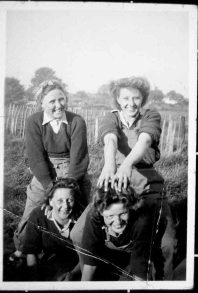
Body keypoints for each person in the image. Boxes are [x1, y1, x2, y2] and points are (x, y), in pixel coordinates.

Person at [71, 76, 172, 280]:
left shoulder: (150, 115)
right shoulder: (112, 117)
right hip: (115, 180)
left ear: (142, 99)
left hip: (146, 181)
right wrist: (110, 165)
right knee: (78, 233)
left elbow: (144, 140)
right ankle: (89, 272)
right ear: (117, 99)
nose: (131, 103)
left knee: (166, 242)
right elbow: (110, 138)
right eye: (125, 98)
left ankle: (159, 280)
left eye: (136, 98)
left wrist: (127, 163)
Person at [10, 79, 91, 262]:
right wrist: (49, 193)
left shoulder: (76, 121)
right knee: (30, 219)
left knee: (81, 217)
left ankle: (78, 257)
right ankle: (26, 250)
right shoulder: (34, 121)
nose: (58, 105)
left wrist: (66, 190)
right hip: (45, 173)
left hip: (73, 174)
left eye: (61, 99)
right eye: (52, 102)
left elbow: (78, 159)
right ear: (41, 103)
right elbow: (36, 158)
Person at [81, 185, 167, 281]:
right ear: (100, 213)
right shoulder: (93, 217)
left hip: (141, 249)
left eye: (123, 214)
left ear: (130, 208)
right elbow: (90, 263)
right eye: (110, 216)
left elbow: (140, 267)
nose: (118, 222)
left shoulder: (141, 221)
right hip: (113, 253)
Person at [22, 178, 83, 281]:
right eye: (60, 201)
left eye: (70, 200)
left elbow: (89, 257)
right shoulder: (38, 216)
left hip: (78, 265)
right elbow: (31, 252)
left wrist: (72, 274)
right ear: (50, 201)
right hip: (51, 262)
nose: (65, 206)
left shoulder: (82, 217)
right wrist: (35, 280)